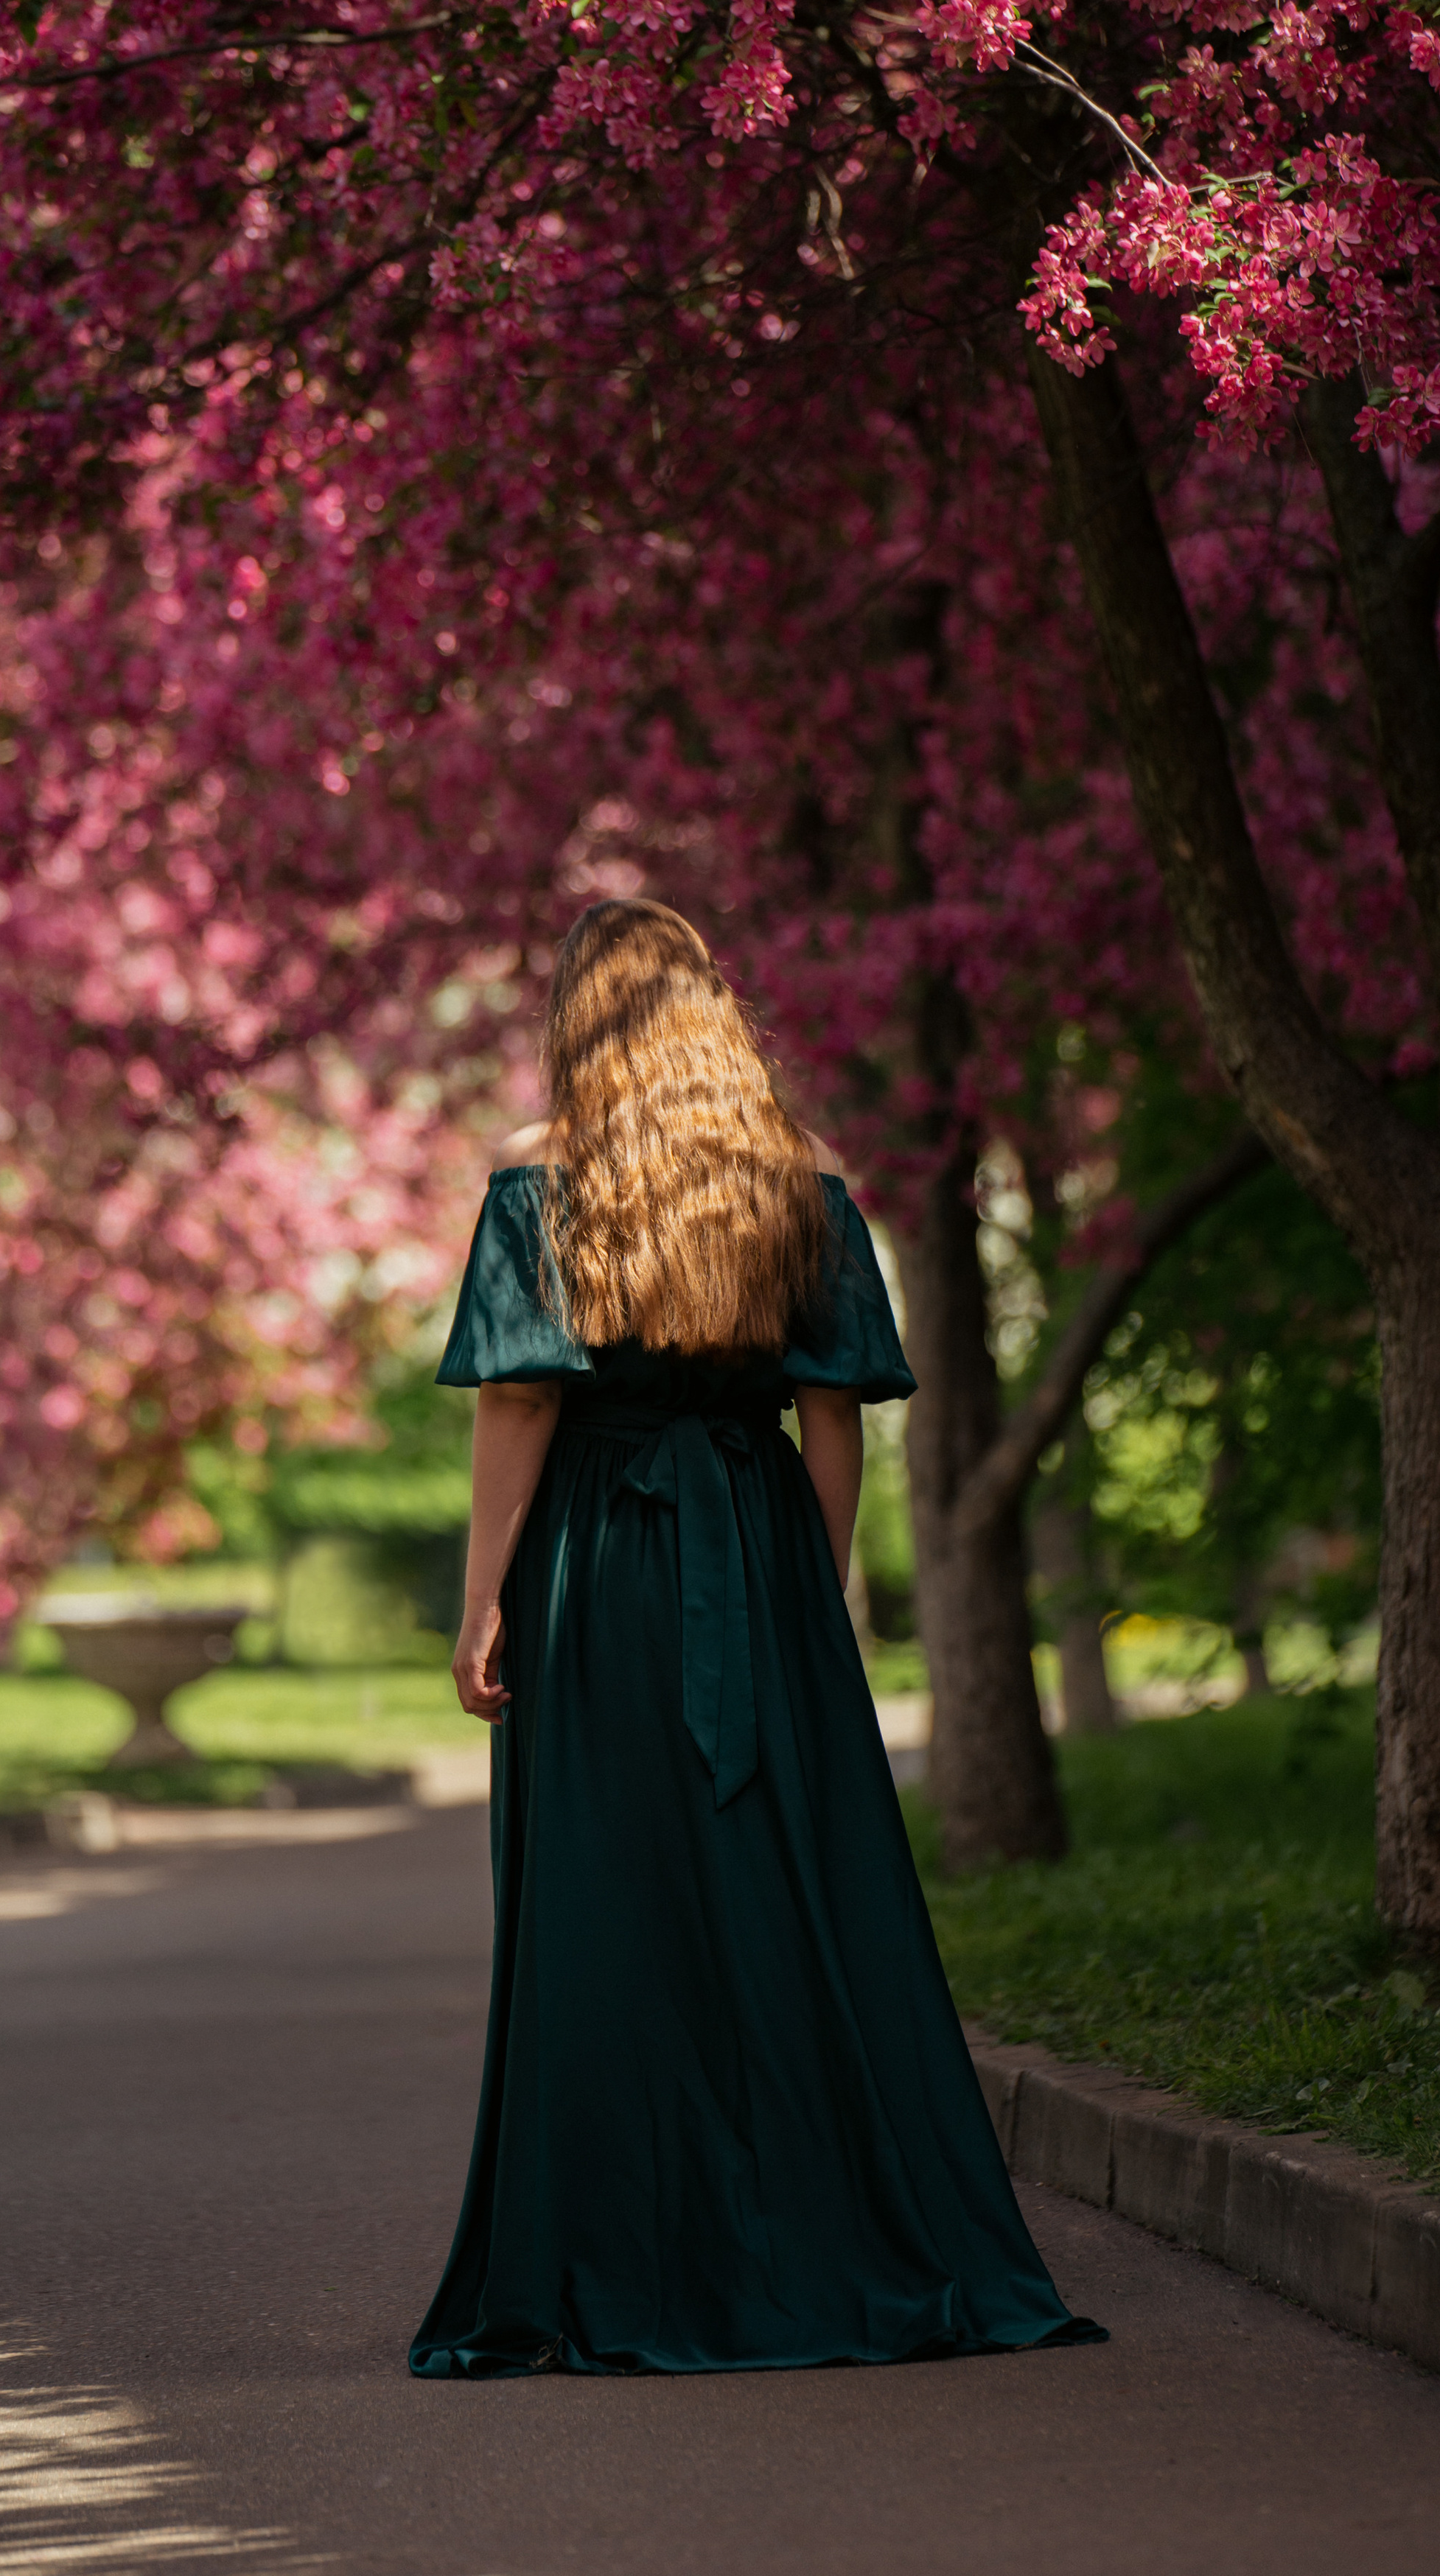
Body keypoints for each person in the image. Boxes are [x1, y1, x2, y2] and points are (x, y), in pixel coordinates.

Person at [410, 900, 1106, 2378]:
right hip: (755, 1537)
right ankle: (834, 2243)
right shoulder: (805, 1186)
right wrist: (821, 1585)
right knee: (788, 1894)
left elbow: (521, 1405)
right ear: (712, 1015)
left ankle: (613, 2265)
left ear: (573, 1022)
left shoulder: (539, 1185)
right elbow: (833, 1417)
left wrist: (483, 1598)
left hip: (597, 1559)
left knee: (606, 1897)